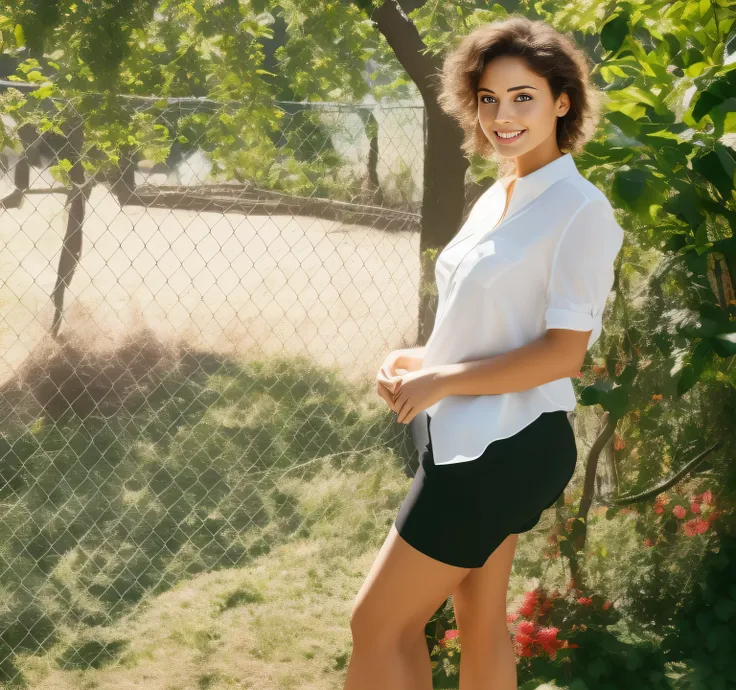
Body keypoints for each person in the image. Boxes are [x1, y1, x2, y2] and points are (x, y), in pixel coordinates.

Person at [343, 15, 624, 690]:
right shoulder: (498, 195)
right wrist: (416, 358)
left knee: (377, 626)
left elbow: (563, 355)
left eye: (522, 96)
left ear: (562, 101)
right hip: (474, 436)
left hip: (506, 447)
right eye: (490, 98)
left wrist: (443, 380)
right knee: (479, 620)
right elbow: (483, 328)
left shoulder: (581, 211)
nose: (503, 115)